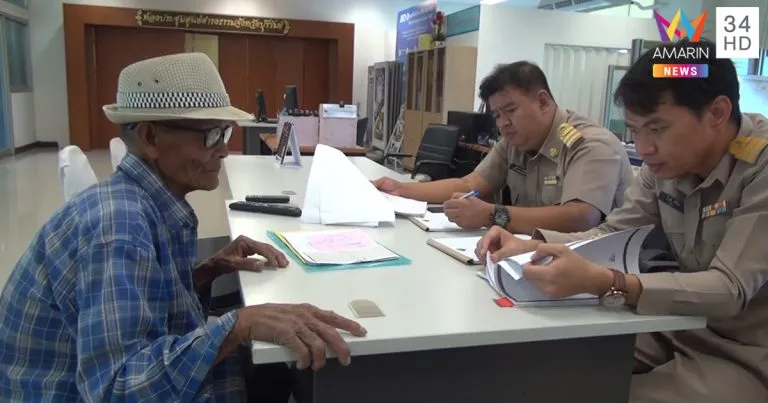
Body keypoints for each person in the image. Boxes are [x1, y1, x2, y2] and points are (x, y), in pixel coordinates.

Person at [0, 53, 366, 402]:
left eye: (224, 134)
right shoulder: (118, 228)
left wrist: (208, 271)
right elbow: (118, 390)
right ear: (150, 138)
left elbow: (147, 305)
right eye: (211, 136)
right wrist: (238, 325)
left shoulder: (144, 202)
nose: (224, 152)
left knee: (272, 372)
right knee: (276, 369)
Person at [475, 39, 768, 402]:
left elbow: (729, 289)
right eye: (635, 130)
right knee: (548, 366)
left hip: (743, 349)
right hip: (674, 324)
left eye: (657, 129)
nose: (643, 149)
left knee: (608, 393)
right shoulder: (666, 165)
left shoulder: (759, 168)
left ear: (718, 112)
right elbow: (612, 232)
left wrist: (610, 283)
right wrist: (532, 245)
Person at [373, 61, 633, 235]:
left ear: (543, 102)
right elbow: (469, 185)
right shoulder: (514, 142)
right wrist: (402, 189)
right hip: (532, 254)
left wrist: (492, 215)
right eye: (497, 115)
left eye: (510, 111)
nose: (503, 124)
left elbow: (580, 217)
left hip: (599, 268)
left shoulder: (590, 145)